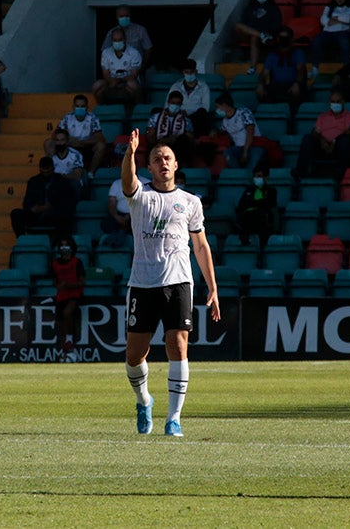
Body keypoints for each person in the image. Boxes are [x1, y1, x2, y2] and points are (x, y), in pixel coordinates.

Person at [122, 130, 219, 438]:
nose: (162, 162)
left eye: (167, 158)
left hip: (178, 281)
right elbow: (127, 182)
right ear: (148, 167)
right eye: (156, 159)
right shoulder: (141, 196)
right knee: (135, 354)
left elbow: (201, 247)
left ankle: (174, 419)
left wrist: (212, 287)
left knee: (178, 345)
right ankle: (144, 400)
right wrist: (130, 155)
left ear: (176, 165)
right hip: (142, 283)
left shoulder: (190, 202)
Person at [294, 88, 350, 181]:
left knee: (346, 140)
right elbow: (315, 132)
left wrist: (334, 142)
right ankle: (300, 172)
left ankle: (340, 173)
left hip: (338, 148)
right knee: (307, 139)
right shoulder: (323, 116)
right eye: (333, 102)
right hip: (323, 147)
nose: (335, 104)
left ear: (343, 102)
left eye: (338, 101)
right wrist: (322, 141)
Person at [10, 156, 77, 236]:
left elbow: (68, 201)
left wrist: (51, 207)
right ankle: (23, 240)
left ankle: (60, 242)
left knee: (65, 216)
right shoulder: (33, 181)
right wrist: (33, 208)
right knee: (15, 214)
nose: (45, 175)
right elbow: (26, 202)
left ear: (52, 169)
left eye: (47, 172)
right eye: (43, 172)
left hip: (55, 215)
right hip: (36, 215)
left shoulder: (61, 181)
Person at [46, 94, 108, 178]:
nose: (80, 108)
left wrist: (82, 142)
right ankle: (50, 170)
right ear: (73, 107)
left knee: (101, 146)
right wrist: (68, 140)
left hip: (86, 147)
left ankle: (90, 172)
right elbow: (55, 134)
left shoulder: (92, 118)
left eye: (82, 106)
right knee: (48, 143)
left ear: (87, 107)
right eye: (77, 106)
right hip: (70, 146)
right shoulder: (68, 118)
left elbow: (100, 137)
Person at [309, 0, 350, 79]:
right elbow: (323, 20)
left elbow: (348, 19)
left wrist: (333, 18)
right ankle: (315, 69)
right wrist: (338, 20)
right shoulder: (329, 7)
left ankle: (346, 69)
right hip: (327, 32)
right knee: (316, 40)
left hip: (343, 32)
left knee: (345, 43)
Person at [235, 0, 282, 74]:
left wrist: (265, 31)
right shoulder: (250, 7)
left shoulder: (274, 8)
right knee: (238, 26)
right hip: (251, 34)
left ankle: (252, 67)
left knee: (254, 37)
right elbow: (244, 23)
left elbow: (277, 25)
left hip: (267, 37)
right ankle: (261, 35)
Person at [51, 234, 84, 363]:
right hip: (61, 295)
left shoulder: (77, 262)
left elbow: (82, 281)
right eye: (62, 245)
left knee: (67, 312)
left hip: (75, 294)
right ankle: (65, 346)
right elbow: (54, 282)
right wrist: (60, 285)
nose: (64, 248)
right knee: (61, 319)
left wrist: (69, 285)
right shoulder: (55, 264)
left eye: (67, 245)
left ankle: (69, 339)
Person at [258, 26, 307, 109]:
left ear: (291, 39)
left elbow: (301, 70)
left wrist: (297, 83)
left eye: (286, 38)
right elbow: (264, 73)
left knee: (297, 90)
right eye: (281, 38)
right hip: (276, 85)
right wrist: (260, 84)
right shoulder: (272, 55)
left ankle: (293, 117)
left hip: (293, 83)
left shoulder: (298, 52)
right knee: (260, 91)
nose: (283, 40)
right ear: (277, 39)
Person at [144, 90, 196, 168]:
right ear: (168, 102)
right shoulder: (156, 117)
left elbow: (191, 137)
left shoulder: (186, 120)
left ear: (181, 104)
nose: (175, 105)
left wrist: (176, 138)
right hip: (159, 144)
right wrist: (163, 141)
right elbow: (149, 135)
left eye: (178, 103)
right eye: (173, 103)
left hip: (178, 146)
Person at [214, 92, 265, 171]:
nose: (216, 110)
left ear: (224, 106)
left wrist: (245, 151)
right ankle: (239, 174)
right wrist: (214, 131)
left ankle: (248, 175)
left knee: (256, 156)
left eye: (217, 107)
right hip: (238, 148)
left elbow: (250, 131)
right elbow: (220, 131)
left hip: (253, 146)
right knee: (227, 153)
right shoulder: (225, 121)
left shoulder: (243, 112)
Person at [93, 28, 142, 108]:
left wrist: (119, 80)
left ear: (125, 39)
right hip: (111, 83)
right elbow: (105, 74)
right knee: (97, 86)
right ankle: (102, 108)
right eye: (115, 40)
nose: (117, 42)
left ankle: (137, 108)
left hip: (127, 83)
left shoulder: (134, 53)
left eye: (120, 39)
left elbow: (134, 74)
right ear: (111, 40)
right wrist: (112, 81)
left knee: (132, 85)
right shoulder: (106, 53)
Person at [235, 165, 278, 245]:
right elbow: (242, 204)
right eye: (255, 176)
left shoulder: (271, 191)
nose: (256, 178)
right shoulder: (249, 190)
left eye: (259, 176)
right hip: (247, 217)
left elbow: (269, 204)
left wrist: (252, 203)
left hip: (262, 218)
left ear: (266, 177)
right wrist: (258, 203)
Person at [100, 5, 153, 70]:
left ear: (130, 16)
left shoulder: (140, 30)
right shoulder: (111, 32)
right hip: (115, 70)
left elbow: (148, 49)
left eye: (126, 16)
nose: (124, 18)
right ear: (117, 17)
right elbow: (104, 51)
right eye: (121, 16)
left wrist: (143, 65)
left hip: (136, 69)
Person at [169, 59, 212, 135]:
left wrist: (188, 113)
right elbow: (168, 105)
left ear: (196, 72)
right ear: (183, 72)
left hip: (196, 117)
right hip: (178, 116)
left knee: (202, 114)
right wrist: (179, 112)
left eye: (191, 72)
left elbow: (205, 107)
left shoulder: (203, 87)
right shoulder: (175, 87)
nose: (189, 74)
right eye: (186, 72)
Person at [49, 128, 86, 199]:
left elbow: (77, 176)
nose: (60, 143)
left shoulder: (75, 155)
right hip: (56, 185)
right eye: (57, 140)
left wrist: (61, 177)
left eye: (62, 140)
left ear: (67, 141)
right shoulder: (51, 156)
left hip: (71, 185)